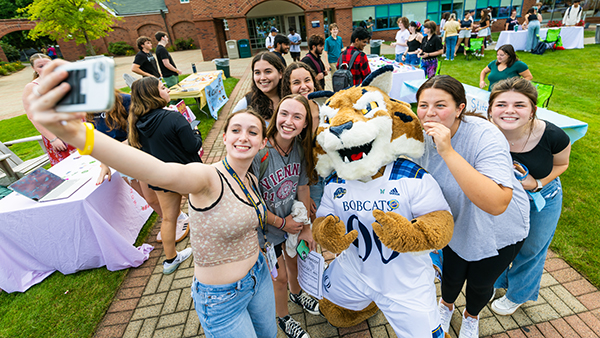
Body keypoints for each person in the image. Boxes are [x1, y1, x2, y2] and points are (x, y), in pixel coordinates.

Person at [29, 62, 277, 335]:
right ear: (226, 137)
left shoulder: (251, 179)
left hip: (260, 276)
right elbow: (157, 170)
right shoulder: (206, 178)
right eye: (236, 130)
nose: (244, 137)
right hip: (222, 299)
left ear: (263, 142)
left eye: (253, 132)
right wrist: (80, 136)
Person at [416, 75, 529, 338]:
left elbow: (497, 203)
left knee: (480, 284)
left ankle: (471, 316)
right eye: (423, 105)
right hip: (456, 223)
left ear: (460, 108)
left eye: (441, 105)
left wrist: (447, 151)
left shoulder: (485, 135)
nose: (430, 113)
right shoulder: (418, 137)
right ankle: (445, 306)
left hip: (498, 229)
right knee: (452, 276)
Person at [488, 77, 571, 316]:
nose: (510, 111)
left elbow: (562, 164)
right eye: (501, 104)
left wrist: (537, 183)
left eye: (519, 105)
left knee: (531, 248)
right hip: (504, 195)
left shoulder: (553, 135)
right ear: (491, 108)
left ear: (533, 109)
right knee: (501, 243)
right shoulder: (485, 131)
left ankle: (518, 293)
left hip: (542, 196)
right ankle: (495, 282)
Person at [252, 94, 317, 338]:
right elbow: (250, 201)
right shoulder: (260, 152)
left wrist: (306, 227)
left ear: (305, 124)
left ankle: (297, 293)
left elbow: (302, 187)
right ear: (276, 115)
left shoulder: (300, 149)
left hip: (292, 222)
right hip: (267, 231)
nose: (289, 121)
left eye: (297, 117)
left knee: (295, 262)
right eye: (284, 114)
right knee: (278, 278)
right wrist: (281, 223)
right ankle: (283, 317)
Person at [128, 77, 204, 274]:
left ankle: (170, 260)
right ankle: (215, 248)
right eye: (163, 87)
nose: (167, 88)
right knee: (206, 209)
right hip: (188, 174)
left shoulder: (137, 123)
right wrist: (196, 132)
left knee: (169, 219)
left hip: (160, 177)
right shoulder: (174, 117)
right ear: (153, 94)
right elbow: (192, 146)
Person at [280, 63, 324, 216]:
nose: (303, 86)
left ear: (314, 82)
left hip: (336, 178)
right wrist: (304, 196)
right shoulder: (288, 119)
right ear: (289, 87)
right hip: (311, 183)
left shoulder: (327, 109)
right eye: (296, 82)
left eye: (307, 80)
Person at [22, 53, 76, 166]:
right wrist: (53, 139)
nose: (46, 68)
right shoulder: (31, 87)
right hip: (56, 133)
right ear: (33, 69)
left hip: (75, 128)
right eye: (40, 66)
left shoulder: (62, 80)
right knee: (69, 167)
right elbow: (32, 116)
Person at [232, 52, 285, 120]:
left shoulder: (291, 98)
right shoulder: (247, 103)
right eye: (257, 73)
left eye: (268, 71)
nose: (262, 78)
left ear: (280, 73)